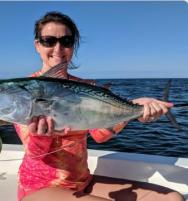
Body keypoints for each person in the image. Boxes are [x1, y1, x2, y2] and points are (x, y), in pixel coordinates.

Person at [14, 11, 185, 201]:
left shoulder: (87, 87)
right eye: (49, 40)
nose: (58, 47)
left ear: (73, 46)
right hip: (39, 187)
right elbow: (35, 154)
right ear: (37, 45)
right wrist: (40, 136)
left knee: (171, 198)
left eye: (67, 41)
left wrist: (134, 110)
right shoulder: (24, 89)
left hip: (82, 182)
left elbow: (99, 135)